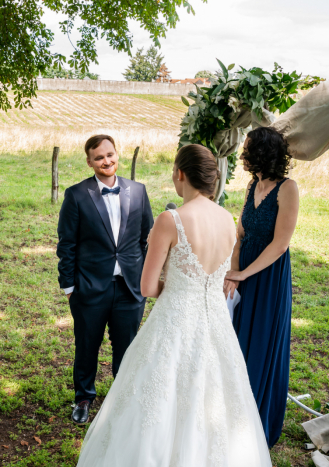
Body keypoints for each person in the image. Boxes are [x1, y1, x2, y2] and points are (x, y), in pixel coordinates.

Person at [75, 145, 272, 466]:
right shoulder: (226, 219)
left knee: (155, 397)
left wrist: (179, 285)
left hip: (175, 322)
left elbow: (147, 286)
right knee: (220, 393)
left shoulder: (171, 219)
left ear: (180, 174)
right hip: (216, 325)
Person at [56, 134, 154, 424]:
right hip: (89, 288)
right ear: (89, 162)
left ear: (117, 155)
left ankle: (121, 401)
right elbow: (67, 244)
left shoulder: (138, 191)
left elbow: (146, 239)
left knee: (127, 347)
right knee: (87, 345)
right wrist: (70, 288)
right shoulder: (76, 195)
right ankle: (83, 398)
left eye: (110, 155)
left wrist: (144, 281)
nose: (106, 161)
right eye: (99, 157)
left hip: (129, 288)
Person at [224, 127, 299, 448]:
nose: (243, 153)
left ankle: (257, 421)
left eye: (248, 148)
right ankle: (232, 415)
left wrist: (245, 274)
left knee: (263, 340)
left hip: (269, 276)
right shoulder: (252, 185)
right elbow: (240, 234)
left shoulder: (288, 189)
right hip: (245, 272)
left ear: (262, 152)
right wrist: (233, 270)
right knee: (239, 339)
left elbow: (280, 244)